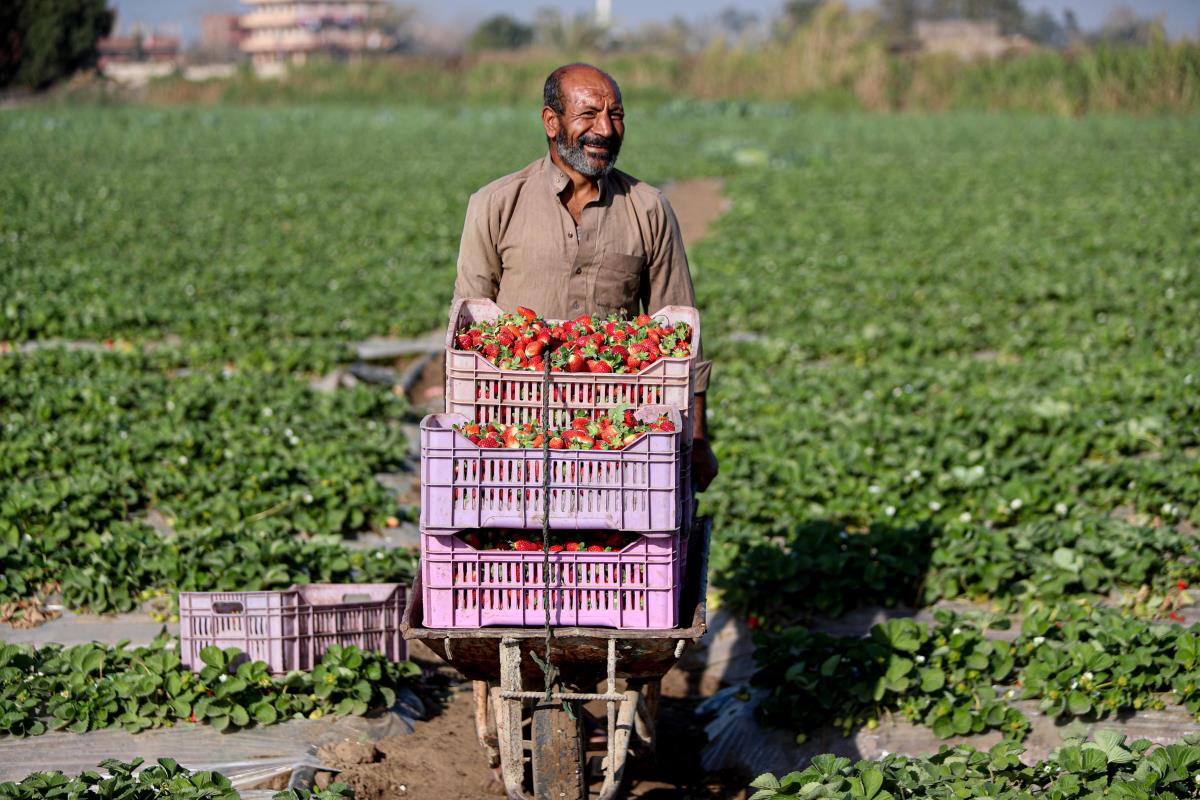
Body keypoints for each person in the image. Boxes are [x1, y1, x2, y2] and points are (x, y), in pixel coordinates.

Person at [453, 62, 718, 490]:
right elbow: (469, 334)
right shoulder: (496, 205)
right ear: (551, 121)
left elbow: (682, 330)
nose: (607, 129)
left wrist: (699, 438)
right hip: (515, 430)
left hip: (621, 435)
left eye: (616, 115)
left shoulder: (647, 208)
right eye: (589, 114)